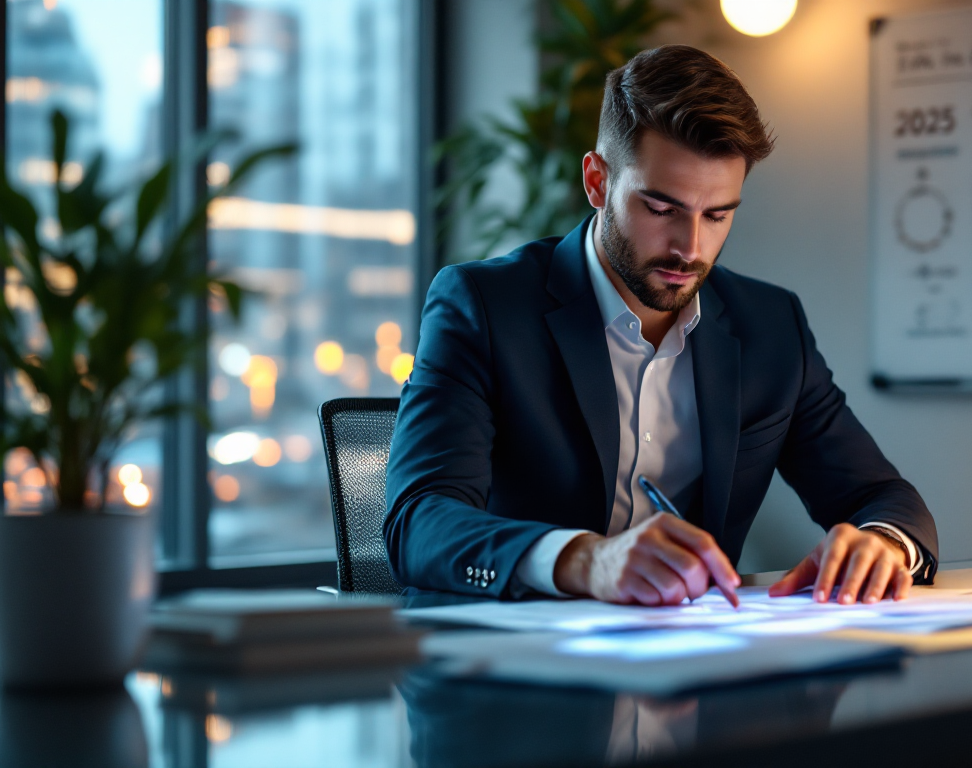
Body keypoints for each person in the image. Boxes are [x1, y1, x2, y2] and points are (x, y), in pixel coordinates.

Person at [384, 44, 937, 605]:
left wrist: (882, 544)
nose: (690, 248)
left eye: (718, 215)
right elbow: (419, 522)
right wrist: (585, 560)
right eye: (661, 208)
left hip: (694, 670)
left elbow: (883, 498)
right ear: (597, 181)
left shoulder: (771, 328)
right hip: (519, 671)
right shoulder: (484, 307)